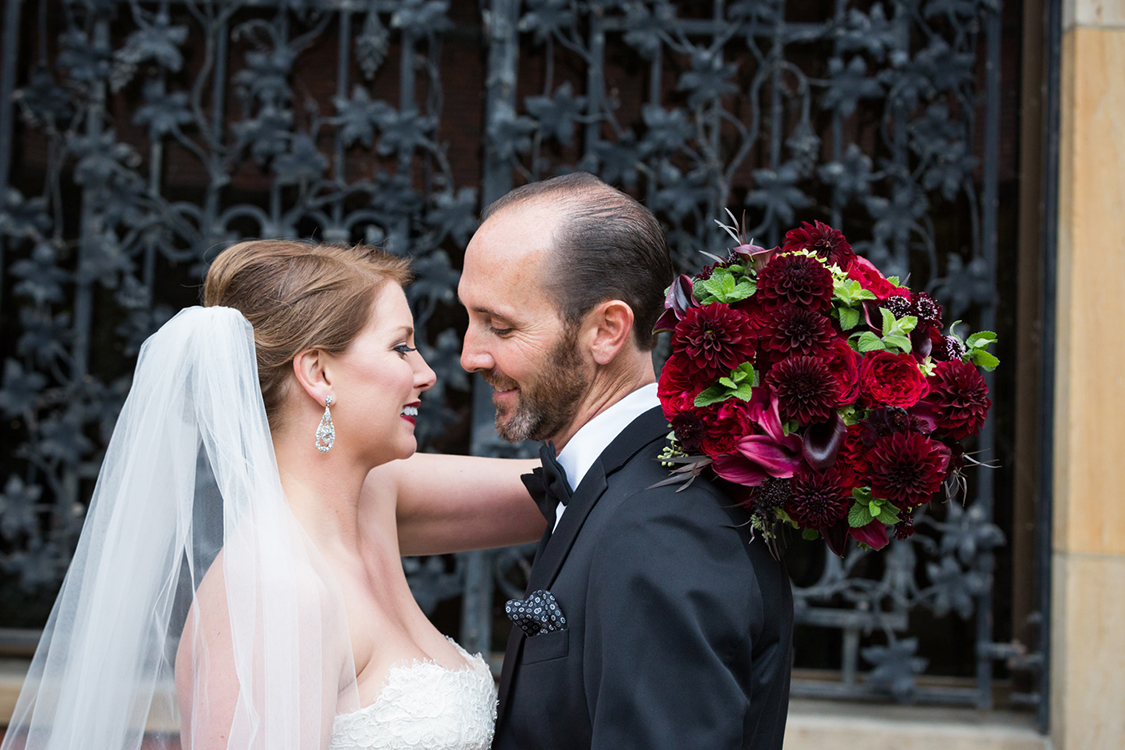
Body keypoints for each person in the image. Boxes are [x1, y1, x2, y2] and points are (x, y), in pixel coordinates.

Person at [0, 240, 545, 750]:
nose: (426, 373)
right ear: (318, 371)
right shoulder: (274, 593)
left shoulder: (375, 497)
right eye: (400, 346)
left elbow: (572, 487)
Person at [458, 173, 794, 749]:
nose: (469, 355)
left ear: (607, 330)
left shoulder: (663, 530)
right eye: (469, 318)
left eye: (501, 325)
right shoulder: (618, 487)